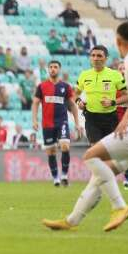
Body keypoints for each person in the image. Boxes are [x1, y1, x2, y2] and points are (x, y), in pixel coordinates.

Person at [43, 21, 128, 232]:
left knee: (91, 156)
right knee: (103, 172)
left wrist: (126, 118)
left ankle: (120, 206)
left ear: (118, 41)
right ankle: (72, 220)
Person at [76, 46, 128, 189]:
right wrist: (79, 102)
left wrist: (113, 102)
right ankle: (100, 181)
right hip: (91, 118)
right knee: (95, 152)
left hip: (110, 118)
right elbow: (75, 93)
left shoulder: (115, 75)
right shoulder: (84, 75)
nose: (96, 58)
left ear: (106, 58)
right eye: (93, 55)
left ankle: (105, 179)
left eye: (99, 56)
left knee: (109, 154)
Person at [32, 60, 83, 188]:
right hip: (47, 124)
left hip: (62, 122)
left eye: (55, 67)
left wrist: (77, 123)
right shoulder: (42, 86)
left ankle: (64, 175)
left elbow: (72, 105)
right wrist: (34, 120)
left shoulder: (65, 87)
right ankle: (55, 178)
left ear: (59, 70)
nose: (53, 69)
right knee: (51, 151)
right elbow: (35, 103)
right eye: (51, 67)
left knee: (65, 146)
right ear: (48, 70)